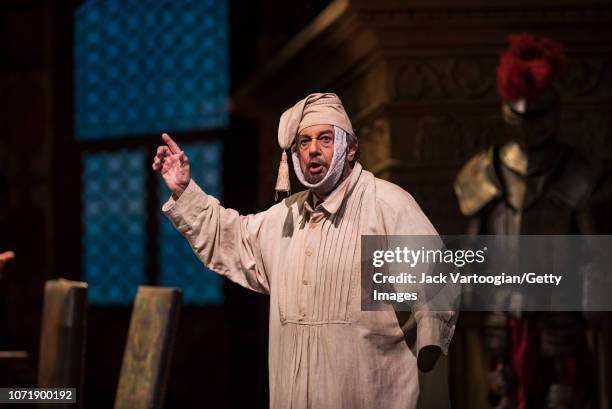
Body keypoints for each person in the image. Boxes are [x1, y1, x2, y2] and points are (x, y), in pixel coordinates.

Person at [154, 93, 457, 409]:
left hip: (368, 390)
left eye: (325, 139)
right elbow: (232, 236)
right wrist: (184, 190)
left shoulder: (385, 207)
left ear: (350, 148)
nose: (313, 149)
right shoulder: (287, 217)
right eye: (304, 142)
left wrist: (431, 335)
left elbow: (435, 276)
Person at [455, 35, 606, 409]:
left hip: (561, 311)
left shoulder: (578, 171)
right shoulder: (483, 171)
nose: (526, 123)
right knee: (502, 393)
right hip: (502, 315)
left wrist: (593, 304)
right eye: (519, 114)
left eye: (535, 115)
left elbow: (593, 252)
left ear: (553, 111)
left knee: (566, 394)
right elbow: (476, 251)